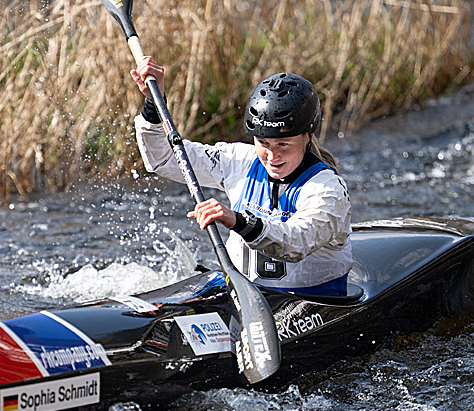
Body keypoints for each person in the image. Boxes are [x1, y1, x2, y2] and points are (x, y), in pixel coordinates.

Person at [130, 55, 353, 297]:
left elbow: (296, 243)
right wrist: (153, 104)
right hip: (241, 297)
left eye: (283, 144)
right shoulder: (239, 160)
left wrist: (237, 221)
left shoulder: (327, 189)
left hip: (312, 303)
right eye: (263, 142)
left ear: (307, 137)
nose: (272, 156)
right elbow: (164, 159)